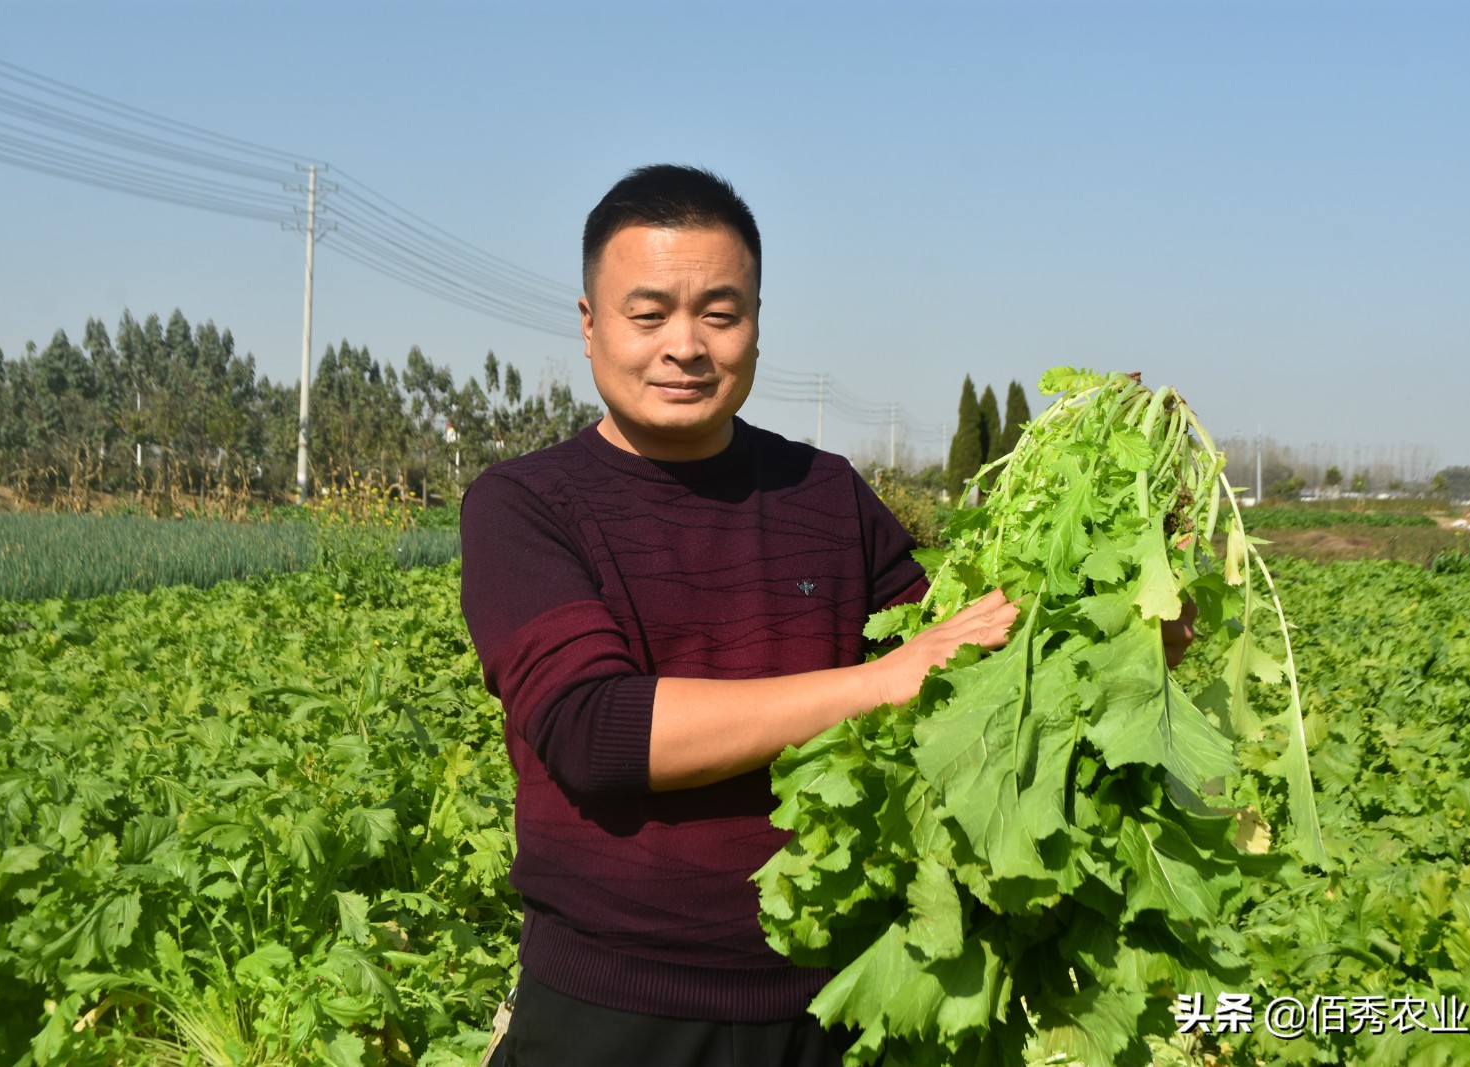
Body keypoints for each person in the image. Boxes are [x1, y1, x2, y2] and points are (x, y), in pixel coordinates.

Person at [459, 164, 1191, 1066]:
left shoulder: (825, 492)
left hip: (836, 1003)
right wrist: (883, 681)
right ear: (589, 325)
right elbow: (597, 732)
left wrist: (1119, 628)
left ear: (757, 324)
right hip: (613, 1011)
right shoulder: (526, 503)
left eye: (720, 313)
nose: (685, 345)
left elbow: (977, 674)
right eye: (648, 314)